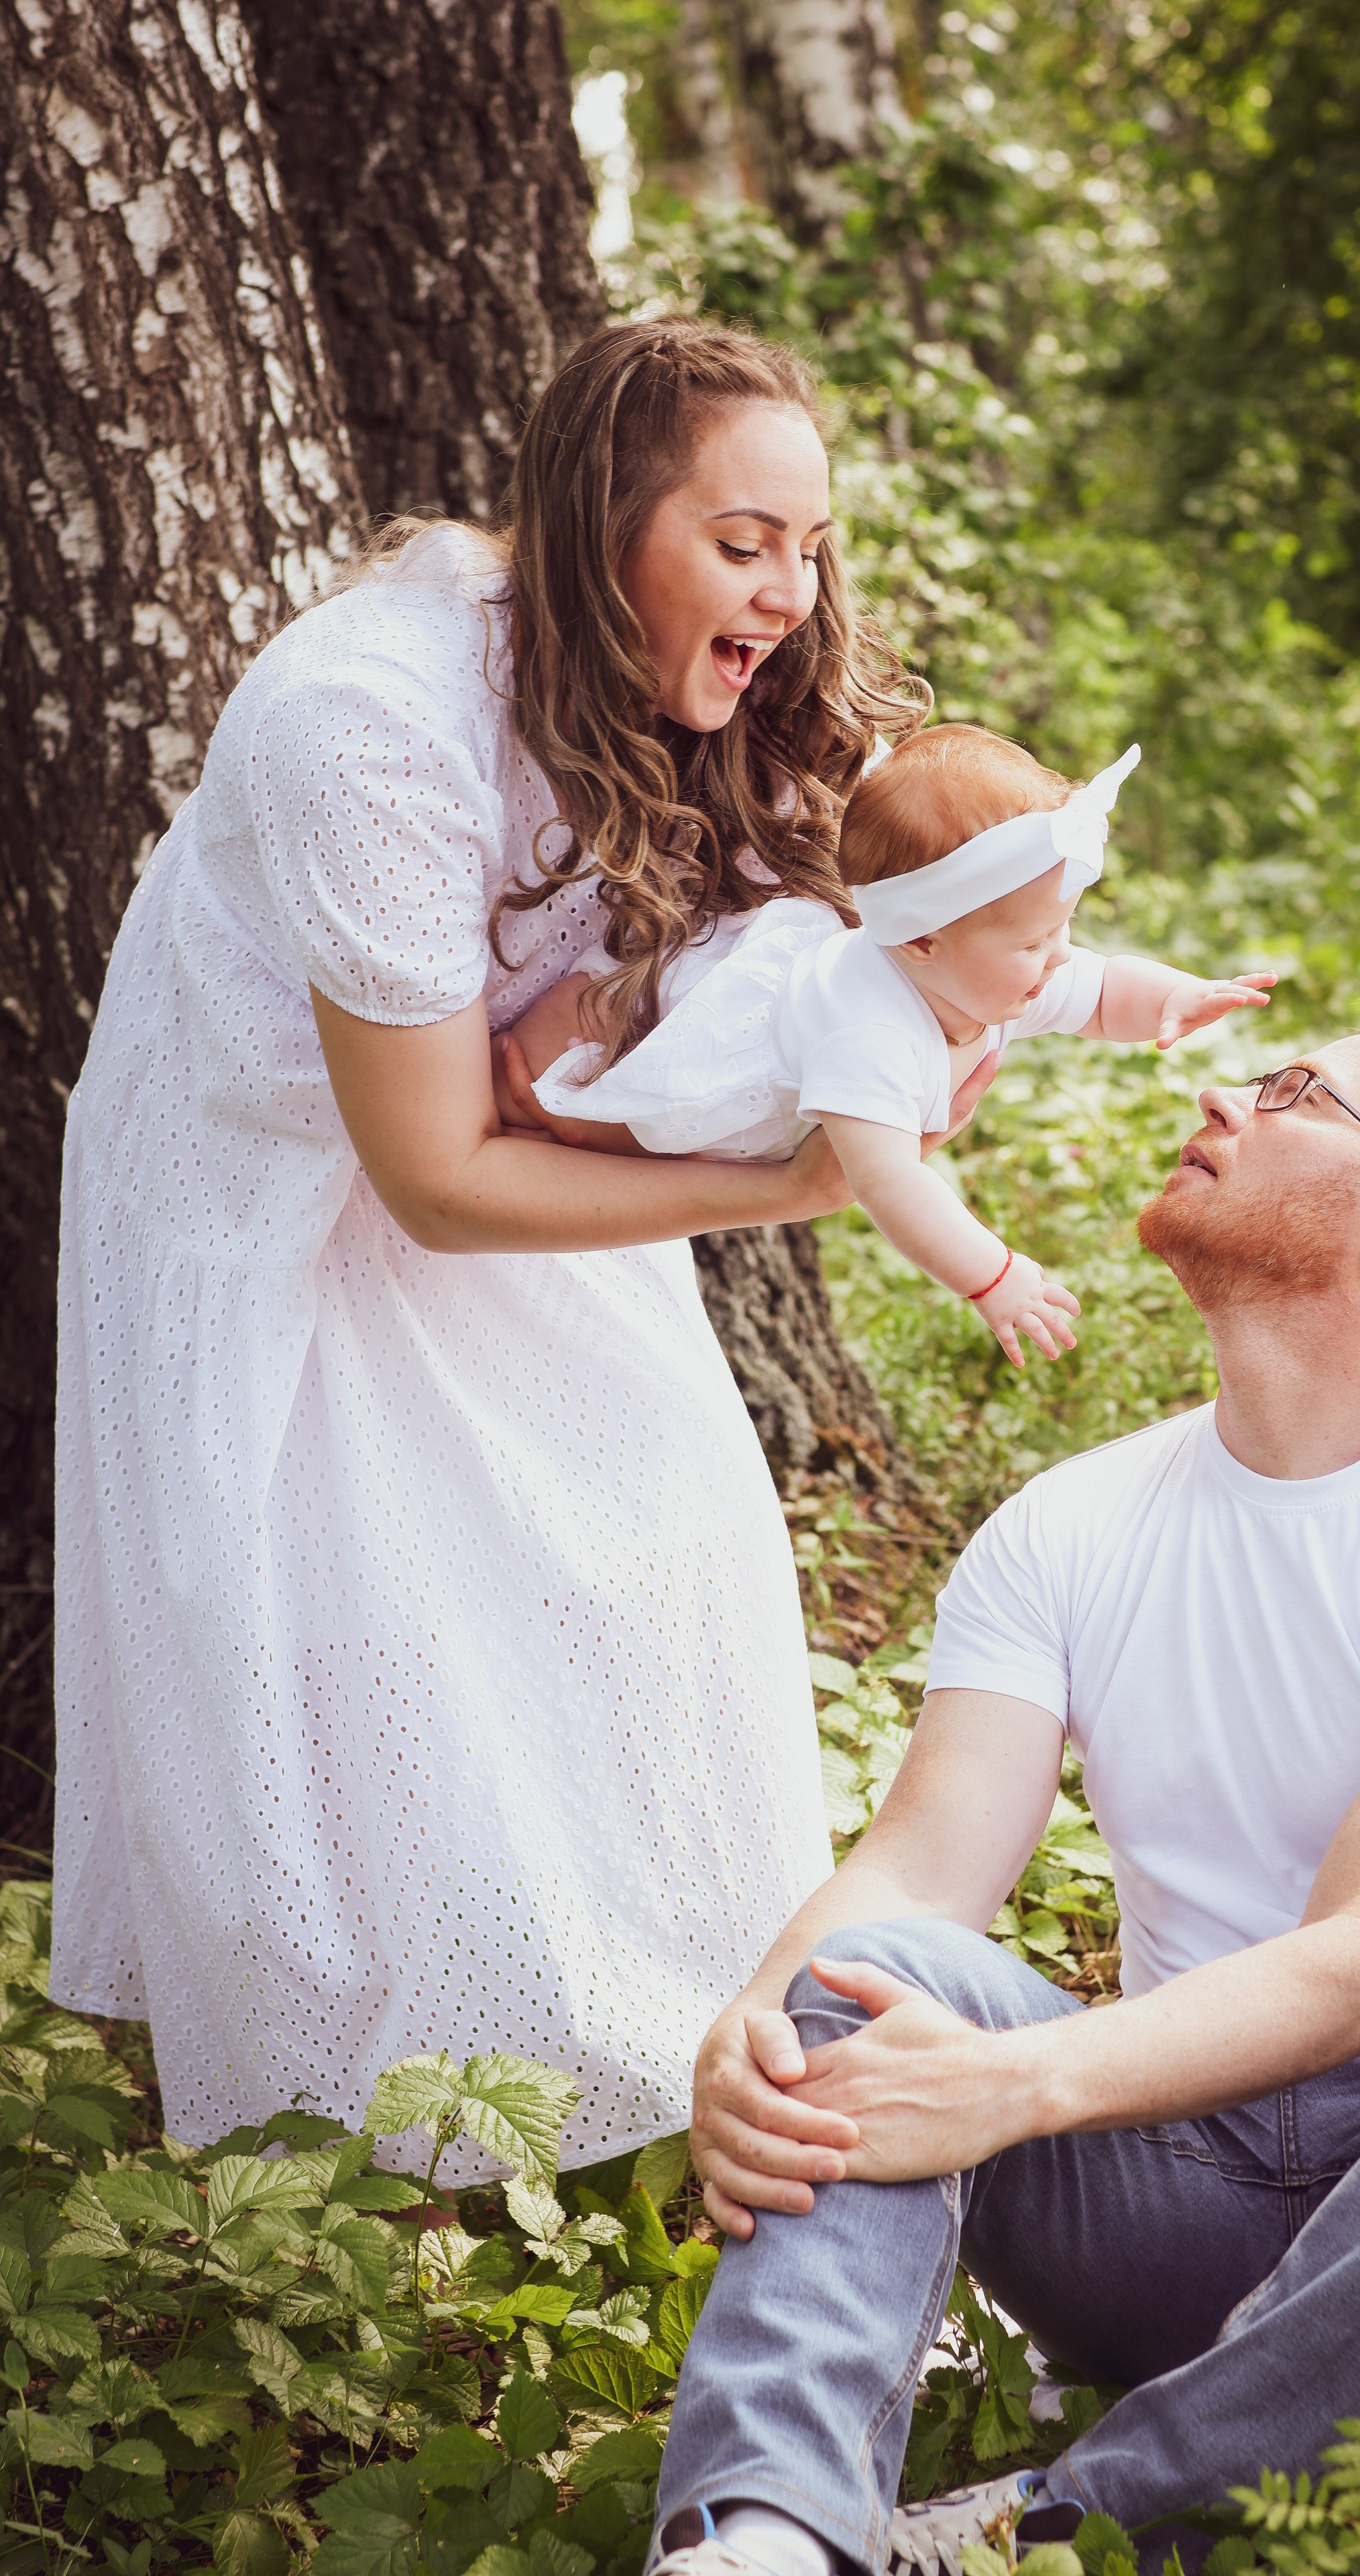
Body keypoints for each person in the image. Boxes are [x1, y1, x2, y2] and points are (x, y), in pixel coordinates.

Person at [50, 318, 968, 2174]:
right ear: (596, 520)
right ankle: (390, 2140)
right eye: (742, 542)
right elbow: (435, 1186)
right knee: (377, 1634)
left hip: (518, 1144)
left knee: (647, 1559)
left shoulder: (673, 681)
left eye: (807, 546)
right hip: (287, 1191)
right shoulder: (366, 728)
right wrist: (797, 1189)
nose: (790, 594)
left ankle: (671, 2063)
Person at [648, 1006, 1360, 2576]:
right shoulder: (1067, 1526)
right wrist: (753, 2027)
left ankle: (1060, 2527)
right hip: (1172, 2187)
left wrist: (1019, 2082)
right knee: (882, 1977)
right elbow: (923, 1862)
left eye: (1292, 1093)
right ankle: (760, 2540)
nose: (1218, 1092)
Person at [498, 728, 1273, 1368]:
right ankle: (519, 1105)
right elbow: (889, 1182)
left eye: (1062, 928)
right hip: (665, 1040)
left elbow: (1104, 993)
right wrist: (990, 1275)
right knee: (589, 1094)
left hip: (745, 1054)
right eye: (1038, 939)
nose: (1062, 956)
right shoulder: (868, 1031)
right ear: (927, 940)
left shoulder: (993, 975)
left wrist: (1175, 996)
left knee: (631, 1108)